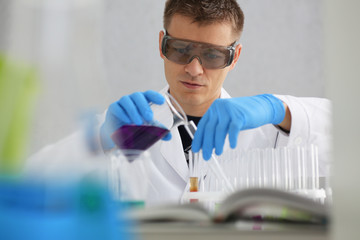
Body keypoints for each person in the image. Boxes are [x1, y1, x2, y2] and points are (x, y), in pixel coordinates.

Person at [25, 0, 332, 206]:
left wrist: (279, 108)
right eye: (181, 50)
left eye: (212, 55)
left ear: (234, 57)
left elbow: (348, 140)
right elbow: (30, 183)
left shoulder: (272, 132)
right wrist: (100, 141)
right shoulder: (130, 127)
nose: (194, 68)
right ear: (162, 44)